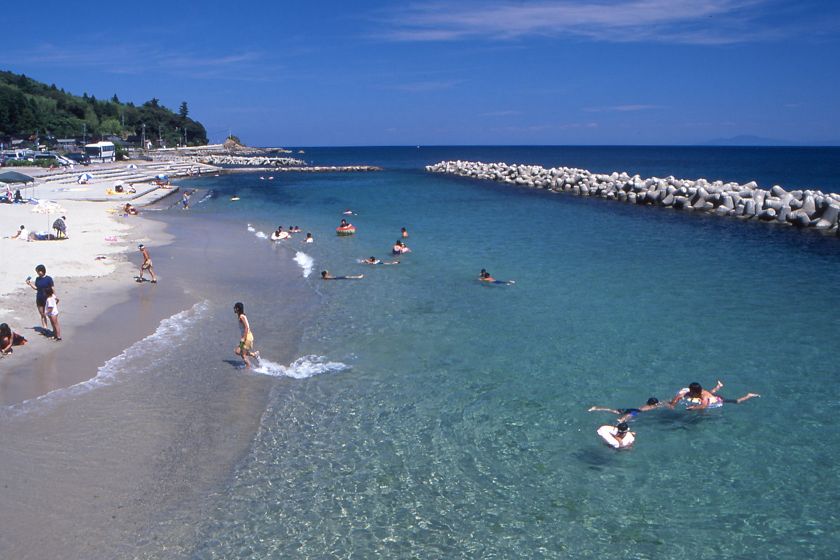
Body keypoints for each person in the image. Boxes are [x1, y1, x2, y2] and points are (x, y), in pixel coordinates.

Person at [669, 380, 760, 410]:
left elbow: (704, 405)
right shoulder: (690, 392)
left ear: (695, 392)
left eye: (692, 392)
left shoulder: (703, 396)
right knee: (711, 391)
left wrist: (693, 408)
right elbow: (679, 396)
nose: (690, 393)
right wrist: (673, 404)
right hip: (708, 394)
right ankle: (719, 386)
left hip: (716, 399)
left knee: (737, 401)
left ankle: (749, 395)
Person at [589, 397, 661, 423]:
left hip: (630, 409)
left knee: (613, 411)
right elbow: (632, 413)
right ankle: (621, 420)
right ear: (654, 404)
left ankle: (596, 408)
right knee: (628, 416)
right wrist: (623, 419)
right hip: (634, 411)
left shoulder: (650, 406)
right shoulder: (648, 408)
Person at [25, 264, 54, 330]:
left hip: (47, 298)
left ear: (42, 271)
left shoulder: (49, 279)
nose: (37, 273)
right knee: (42, 314)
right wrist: (30, 284)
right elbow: (36, 288)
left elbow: (52, 288)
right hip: (39, 298)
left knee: (50, 315)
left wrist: (54, 297)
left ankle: (54, 328)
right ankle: (45, 328)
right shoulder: (37, 279)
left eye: (38, 271)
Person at [233, 302, 259, 369]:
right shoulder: (241, 316)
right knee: (237, 351)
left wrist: (243, 339)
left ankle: (248, 369)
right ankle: (254, 354)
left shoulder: (241, 317)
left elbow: (247, 327)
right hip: (246, 337)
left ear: (238, 309)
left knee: (243, 355)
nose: (234, 309)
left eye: (235, 308)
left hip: (247, 338)